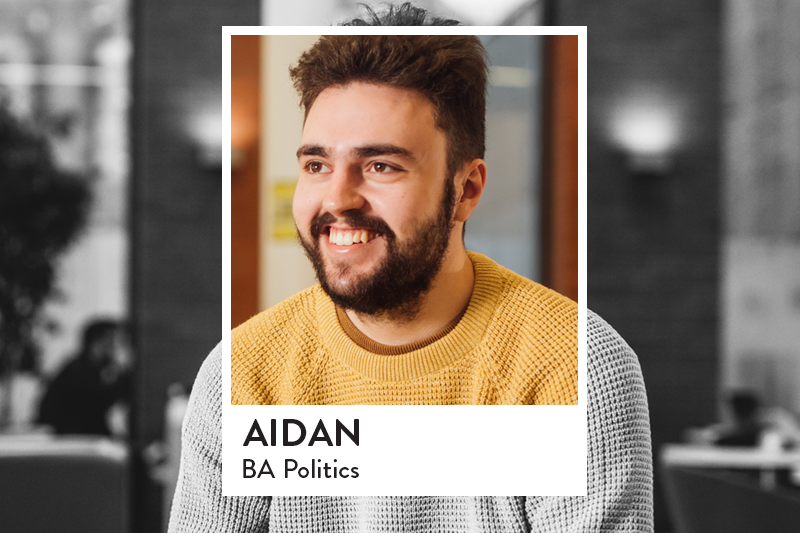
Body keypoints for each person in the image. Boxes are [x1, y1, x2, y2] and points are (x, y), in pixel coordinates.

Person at [170, 4, 653, 532]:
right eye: (316, 165)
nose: (338, 198)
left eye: (381, 166)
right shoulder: (243, 376)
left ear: (465, 190)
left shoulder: (575, 370)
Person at [38, 319, 131, 436]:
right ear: (99, 342)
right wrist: (121, 368)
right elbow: (98, 399)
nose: (116, 347)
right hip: (67, 440)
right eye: (113, 341)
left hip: (79, 437)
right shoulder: (76, 370)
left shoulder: (94, 369)